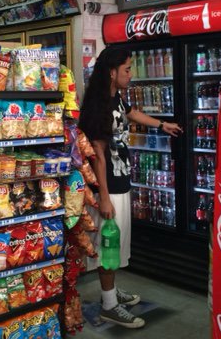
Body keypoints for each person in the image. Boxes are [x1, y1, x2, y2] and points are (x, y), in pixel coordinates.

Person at [78, 46, 182, 329]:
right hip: (108, 189)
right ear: (112, 72)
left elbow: (132, 113)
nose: (131, 74)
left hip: (119, 182)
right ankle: (109, 306)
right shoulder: (98, 107)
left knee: (116, 245)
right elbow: (98, 155)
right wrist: (104, 198)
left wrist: (162, 124)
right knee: (108, 247)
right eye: (127, 69)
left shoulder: (115, 97)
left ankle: (110, 292)